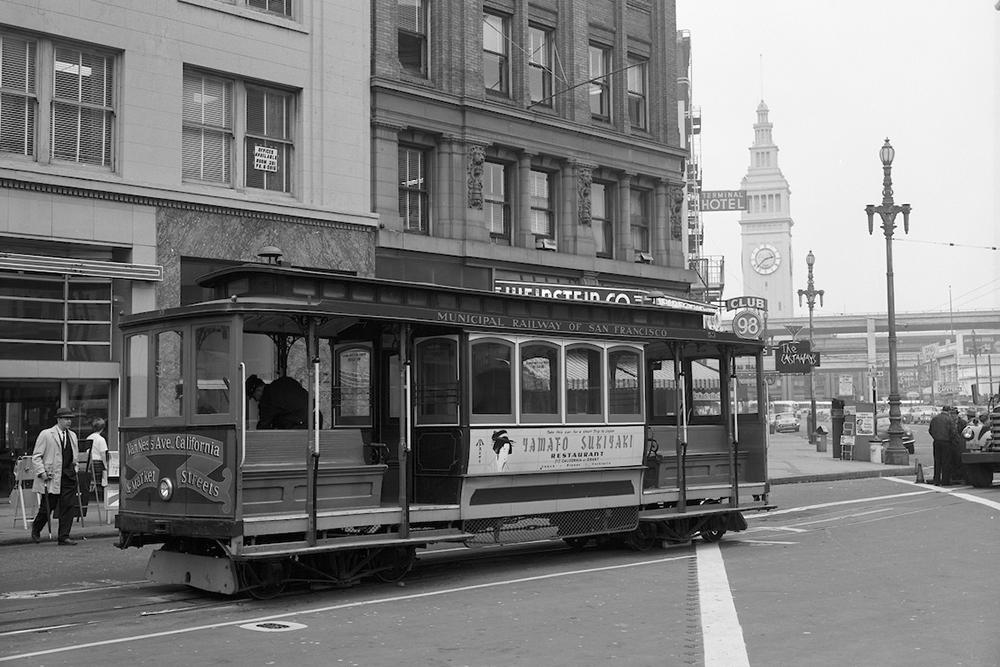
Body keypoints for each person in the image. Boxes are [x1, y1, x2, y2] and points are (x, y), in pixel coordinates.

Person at [30, 407, 81, 545]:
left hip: (68, 476)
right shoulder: (46, 434)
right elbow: (36, 456)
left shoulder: (73, 436)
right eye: (66, 418)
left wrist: (75, 469)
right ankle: (36, 527)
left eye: (70, 419)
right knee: (47, 507)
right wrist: (42, 472)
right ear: (58, 419)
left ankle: (64, 536)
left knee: (68, 507)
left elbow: (74, 456)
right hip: (52, 477)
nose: (69, 421)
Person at [246, 374, 310, 429]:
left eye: (254, 397)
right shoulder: (285, 381)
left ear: (258, 390)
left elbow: (264, 426)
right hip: (315, 416)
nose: (256, 400)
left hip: (302, 424)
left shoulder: (267, 397)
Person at [927, 405, 955, 486]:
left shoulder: (935, 418)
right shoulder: (949, 419)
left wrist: (935, 437)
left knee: (937, 461)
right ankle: (945, 481)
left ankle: (936, 480)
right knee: (946, 462)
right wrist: (951, 439)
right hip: (946, 442)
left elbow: (930, 430)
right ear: (948, 411)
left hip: (936, 442)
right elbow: (953, 431)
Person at [87, 417, 109, 508]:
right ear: (103, 428)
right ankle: (102, 499)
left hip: (90, 462)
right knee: (102, 482)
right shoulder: (101, 439)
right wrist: (106, 465)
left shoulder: (89, 437)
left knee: (92, 481)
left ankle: (90, 497)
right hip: (98, 462)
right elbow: (103, 454)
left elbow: (87, 451)